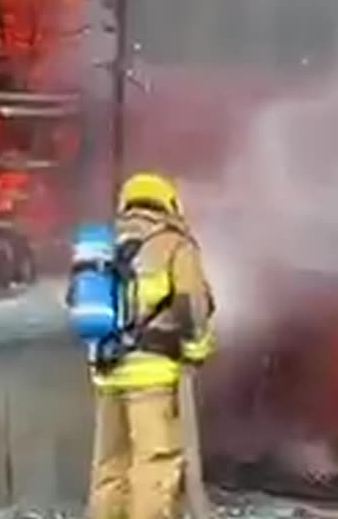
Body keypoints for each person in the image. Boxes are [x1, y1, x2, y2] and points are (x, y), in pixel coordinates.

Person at [89, 172, 216, 519]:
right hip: (153, 374)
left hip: (107, 371)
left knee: (111, 467)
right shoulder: (174, 244)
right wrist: (196, 352)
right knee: (155, 464)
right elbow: (192, 308)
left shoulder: (103, 244)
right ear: (169, 203)